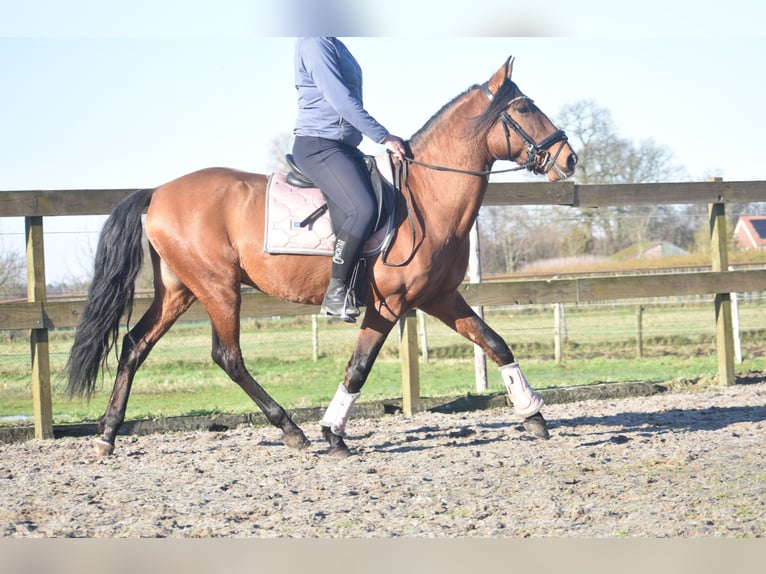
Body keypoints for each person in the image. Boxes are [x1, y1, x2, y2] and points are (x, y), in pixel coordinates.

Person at [291, 37, 406, 322]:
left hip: (343, 146)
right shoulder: (315, 43)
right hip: (318, 145)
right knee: (362, 208)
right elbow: (340, 99)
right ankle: (336, 292)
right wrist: (383, 135)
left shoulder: (335, 42)